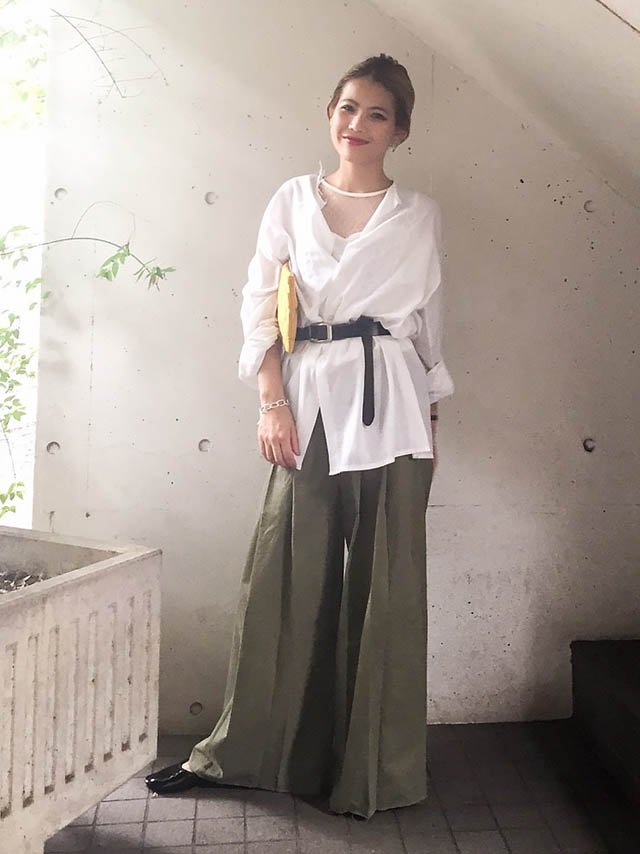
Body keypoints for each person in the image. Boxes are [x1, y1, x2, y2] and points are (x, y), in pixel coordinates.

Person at [146, 53, 454, 820]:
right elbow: (260, 304)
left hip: (394, 408)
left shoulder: (418, 213)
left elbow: (425, 325)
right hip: (309, 398)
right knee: (283, 577)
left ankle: (372, 773)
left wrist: (432, 422)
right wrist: (271, 402)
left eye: (377, 114)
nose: (358, 124)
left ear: (401, 130)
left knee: (387, 590)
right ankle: (246, 754)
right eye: (348, 107)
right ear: (329, 113)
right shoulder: (291, 199)